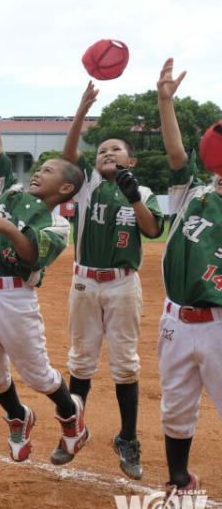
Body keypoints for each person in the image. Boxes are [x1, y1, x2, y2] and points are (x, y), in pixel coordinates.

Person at [0, 77, 89, 464]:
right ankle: (19, 417)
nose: (39, 173)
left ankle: (71, 419)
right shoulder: (9, 192)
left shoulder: (58, 223)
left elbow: (33, 256)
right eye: (39, 168)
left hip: (14, 297)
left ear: (66, 190)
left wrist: (8, 228)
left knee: (37, 374)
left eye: (49, 171)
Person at [59, 81, 164, 478]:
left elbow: (153, 230)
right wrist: (81, 112)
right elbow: (71, 155)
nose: (106, 153)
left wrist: (135, 196)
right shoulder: (86, 188)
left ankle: (128, 438)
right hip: (85, 281)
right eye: (102, 150)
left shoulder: (144, 191)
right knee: (81, 360)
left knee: (125, 364)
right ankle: (72, 432)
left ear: (130, 161)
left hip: (122, 283)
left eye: (115, 149)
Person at [155, 57, 221, 493]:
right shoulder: (193, 194)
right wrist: (166, 103)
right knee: (175, 407)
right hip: (176, 321)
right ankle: (180, 479)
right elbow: (177, 154)